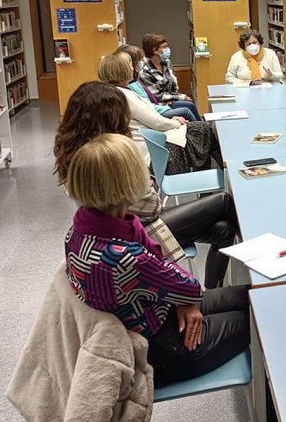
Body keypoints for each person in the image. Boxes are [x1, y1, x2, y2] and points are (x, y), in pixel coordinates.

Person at [63, 133, 249, 385]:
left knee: (252, 295)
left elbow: (168, 275)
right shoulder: (124, 258)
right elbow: (188, 286)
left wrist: (181, 298)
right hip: (166, 349)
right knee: (260, 314)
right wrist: (183, 296)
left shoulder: (79, 231)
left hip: (155, 315)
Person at [53, 81, 235, 289]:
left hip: (109, 233)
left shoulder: (75, 150)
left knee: (224, 229)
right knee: (223, 201)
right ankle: (215, 289)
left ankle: (213, 292)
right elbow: (151, 208)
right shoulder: (110, 154)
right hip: (134, 232)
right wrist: (145, 183)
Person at [99, 52, 222, 175]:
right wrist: (175, 122)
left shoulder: (112, 93)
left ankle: (214, 176)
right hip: (155, 154)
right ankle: (218, 173)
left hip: (149, 144)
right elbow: (156, 122)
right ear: (121, 70)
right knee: (203, 131)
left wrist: (172, 121)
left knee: (203, 134)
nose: (132, 68)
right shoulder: (125, 95)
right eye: (130, 65)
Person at [118, 44, 200, 122]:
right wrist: (166, 107)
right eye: (139, 60)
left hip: (159, 104)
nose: (142, 62)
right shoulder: (133, 84)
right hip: (158, 108)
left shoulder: (136, 80)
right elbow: (148, 107)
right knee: (186, 111)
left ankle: (206, 130)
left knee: (189, 105)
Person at [138, 32, 191, 103]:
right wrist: (181, 97)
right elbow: (157, 96)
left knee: (189, 104)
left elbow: (174, 86)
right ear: (154, 50)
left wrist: (177, 97)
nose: (168, 49)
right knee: (188, 106)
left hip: (172, 99)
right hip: (160, 103)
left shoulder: (167, 62)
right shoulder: (145, 71)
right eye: (164, 47)